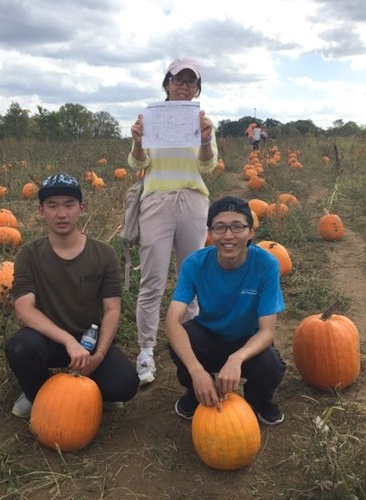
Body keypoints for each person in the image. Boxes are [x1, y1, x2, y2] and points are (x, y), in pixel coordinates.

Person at [5, 174, 139, 418]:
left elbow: (112, 309)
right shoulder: (29, 254)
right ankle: (39, 392)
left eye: (68, 204)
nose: (61, 213)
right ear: (41, 211)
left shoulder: (104, 253)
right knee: (21, 347)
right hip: (50, 339)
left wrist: (98, 355)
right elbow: (24, 309)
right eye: (52, 206)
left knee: (125, 385)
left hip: (90, 341)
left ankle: (91, 389)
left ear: (81, 208)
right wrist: (68, 341)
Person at [127, 57, 218, 386]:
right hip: (157, 201)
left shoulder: (202, 121)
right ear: (166, 83)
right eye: (178, 80)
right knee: (152, 280)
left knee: (191, 278)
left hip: (193, 201)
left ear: (197, 89)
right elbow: (137, 163)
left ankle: (192, 344)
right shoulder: (150, 117)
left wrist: (206, 139)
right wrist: (138, 140)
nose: (184, 86)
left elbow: (207, 168)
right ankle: (146, 350)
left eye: (190, 82)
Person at [165, 196, 286, 425]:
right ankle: (197, 390)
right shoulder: (195, 263)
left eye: (237, 227)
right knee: (181, 340)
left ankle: (258, 400)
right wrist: (196, 371)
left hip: (247, 340)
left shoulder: (267, 265)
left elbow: (267, 332)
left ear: (251, 232)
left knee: (271, 365)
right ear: (210, 233)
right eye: (220, 227)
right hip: (209, 337)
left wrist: (236, 358)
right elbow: (172, 322)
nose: (228, 235)